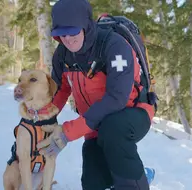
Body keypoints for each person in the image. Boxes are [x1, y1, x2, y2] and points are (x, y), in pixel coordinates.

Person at [37, 0, 155, 189]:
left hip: (132, 114)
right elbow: (59, 92)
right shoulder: (63, 54)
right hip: (95, 124)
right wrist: (40, 122)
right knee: (93, 183)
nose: (67, 39)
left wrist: (68, 132)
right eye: (60, 34)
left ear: (85, 26)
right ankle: (134, 175)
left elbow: (117, 98)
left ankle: (135, 183)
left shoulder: (114, 46)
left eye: (72, 31)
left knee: (113, 131)